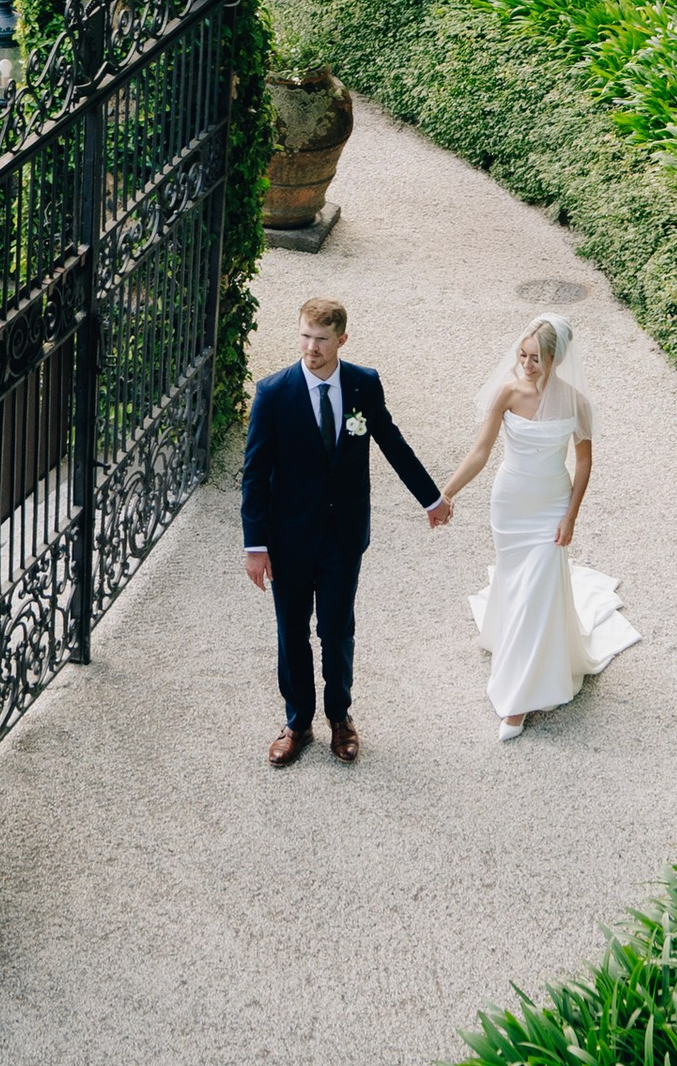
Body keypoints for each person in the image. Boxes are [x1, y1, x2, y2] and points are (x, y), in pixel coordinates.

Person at [241, 294, 449, 765]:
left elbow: (392, 441)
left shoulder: (362, 385)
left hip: (342, 536)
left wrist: (431, 498)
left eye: (321, 339)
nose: (311, 348)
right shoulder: (273, 393)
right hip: (289, 539)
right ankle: (297, 722)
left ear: (341, 340)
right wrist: (256, 545)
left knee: (336, 630)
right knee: (291, 630)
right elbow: (254, 473)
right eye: (305, 336)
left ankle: (340, 717)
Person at [435, 316, 638, 738]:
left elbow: (584, 462)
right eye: (522, 355)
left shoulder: (576, 403)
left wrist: (571, 516)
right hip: (510, 504)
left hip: (551, 505)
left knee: (539, 588)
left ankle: (519, 701)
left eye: (536, 358)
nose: (526, 364)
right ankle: (517, 648)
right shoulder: (507, 392)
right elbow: (480, 451)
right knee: (517, 585)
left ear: (555, 358)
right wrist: (446, 494)